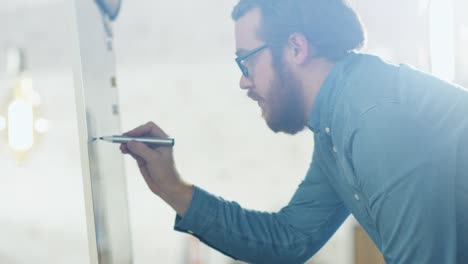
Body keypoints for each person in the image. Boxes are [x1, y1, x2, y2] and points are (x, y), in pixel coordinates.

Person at [120, 0, 468, 263]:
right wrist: (173, 189)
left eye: (247, 60)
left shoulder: (373, 117)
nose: (244, 80)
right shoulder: (336, 122)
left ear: (297, 48)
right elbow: (291, 237)